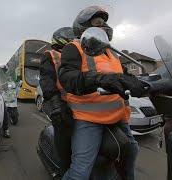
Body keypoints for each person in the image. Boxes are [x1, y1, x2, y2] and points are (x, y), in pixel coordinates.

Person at [58, 6, 145, 180]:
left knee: (132, 150)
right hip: (89, 118)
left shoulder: (111, 52)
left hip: (118, 116)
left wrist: (142, 83)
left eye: (104, 23)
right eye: (97, 23)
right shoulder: (74, 47)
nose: (103, 26)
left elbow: (123, 75)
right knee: (81, 171)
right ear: (83, 27)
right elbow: (67, 77)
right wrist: (99, 79)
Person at [39, 26, 75, 175]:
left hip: (77, 101)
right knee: (64, 130)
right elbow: (46, 79)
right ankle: (64, 169)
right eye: (69, 36)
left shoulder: (75, 55)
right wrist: (55, 102)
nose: (72, 38)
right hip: (58, 101)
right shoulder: (50, 55)